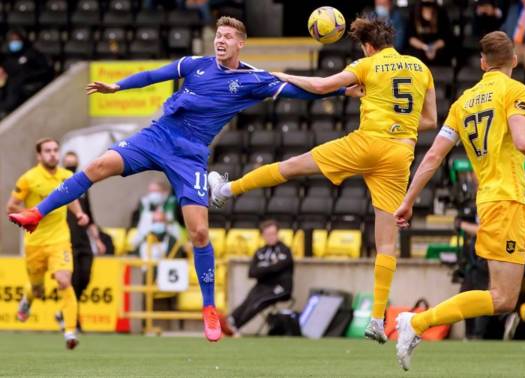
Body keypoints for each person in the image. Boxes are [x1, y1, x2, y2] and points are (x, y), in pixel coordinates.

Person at [8, 16, 356, 343]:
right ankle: (36, 214)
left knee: (199, 231)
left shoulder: (254, 80)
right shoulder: (195, 64)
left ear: (241, 44)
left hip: (190, 156)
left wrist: (343, 91)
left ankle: (208, 309)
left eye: (228, 37)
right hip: (157, 136)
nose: (221, 40)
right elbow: (155, 75)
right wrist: (118, 86)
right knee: (98, 165)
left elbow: (301, 92)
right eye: (219, 35)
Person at [209, 17, 437, 345]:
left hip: (366, 144)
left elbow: (320, 86)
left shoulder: (368, 63)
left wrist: (280, 75)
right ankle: (376, 318)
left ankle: (226, 189)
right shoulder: (420, 68)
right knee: (387, 243)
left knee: (291, 167)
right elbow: (428, 120)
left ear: (368, 46)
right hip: (400, 154)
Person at [393, 31, 525, 377]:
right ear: (514, 60)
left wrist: (408, 201)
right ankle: (417, 322)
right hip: (501, 205)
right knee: (503, 299)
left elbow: (433, 156)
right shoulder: (514, 90)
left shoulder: (463, 103)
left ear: (483, 62)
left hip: (513, 206)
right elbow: (523, 140)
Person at [5, 138, 90, 350]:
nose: (53, 154)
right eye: (47, 151)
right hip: (34, 242)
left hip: (59, 239)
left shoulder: (66, 176)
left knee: (64, 281)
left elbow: (71, 198)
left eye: (55, 150)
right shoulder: (28, 179)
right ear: (39, 156)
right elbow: (11, 207)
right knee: (37, 289)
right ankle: (28, 299)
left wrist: (79, 214)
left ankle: (70, 331)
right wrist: (26, 216)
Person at [56, 151, 106, 332]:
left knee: (85, 277)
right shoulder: (59, 185)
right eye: (68, 164)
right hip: (65, 239)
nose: (71, 168)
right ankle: (73, 322)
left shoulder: (83, 187)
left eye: (73, 165)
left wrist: (97, 239)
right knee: (74, 280)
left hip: (83, 239)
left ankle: (63, 313)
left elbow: (89, 215)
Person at [220, 220, 293, 336]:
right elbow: (252, 272)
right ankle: (230, 320)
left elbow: (279, 267)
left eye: (273, 234)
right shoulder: (260, 252)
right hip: (263, 286)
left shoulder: (285, 250)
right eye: (268, 234)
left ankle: (235, 327)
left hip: (280, 287)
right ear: (263, 236)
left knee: (258, 302)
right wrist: (271, 266)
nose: (271, 237)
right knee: (249, 299)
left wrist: (264, 268)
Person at [0, 29, 54, 116]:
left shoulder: (32, 54)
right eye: (12, 40)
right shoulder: (6, 56)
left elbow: (46, 71)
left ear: (22, 40)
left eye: (16, 40)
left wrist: (28, 76)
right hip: (9, 86)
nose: (14, 43)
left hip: (27, 85)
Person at [131, 180, 181, 250]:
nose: (153, 194)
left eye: (156, 191)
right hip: (146, 242)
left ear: (165, 192)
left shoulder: (174, 205)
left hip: (167, 241)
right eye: (151, 191)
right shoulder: (144, 204)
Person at [406, 0, 453, 65]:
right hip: (419, 50)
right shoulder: (414, 12)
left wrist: (434, 47)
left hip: (438, 51)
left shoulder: (441, 12)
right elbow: (410, 38)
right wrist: (425, 47)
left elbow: (446, 37)